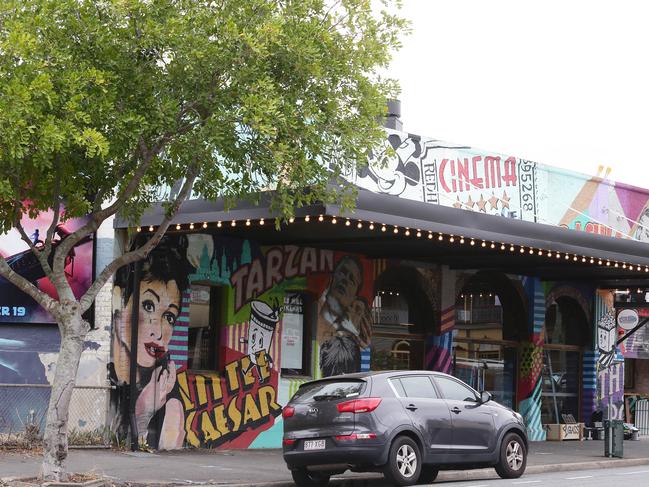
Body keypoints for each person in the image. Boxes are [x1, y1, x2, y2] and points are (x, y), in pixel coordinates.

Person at [110, 234, 192, 450]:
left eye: (169, 316)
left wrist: (144, 416)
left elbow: (171, 442)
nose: (159, 331)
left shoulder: (166, 388)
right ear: (120, 302)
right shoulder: (97, 371)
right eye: (148, 305)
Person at [318, 255, 372, 376]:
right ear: (332, 278)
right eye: (343, 273)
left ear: (354, 296)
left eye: (351, 279)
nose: (345, 280)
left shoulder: (355, 339)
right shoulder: (315, 314)